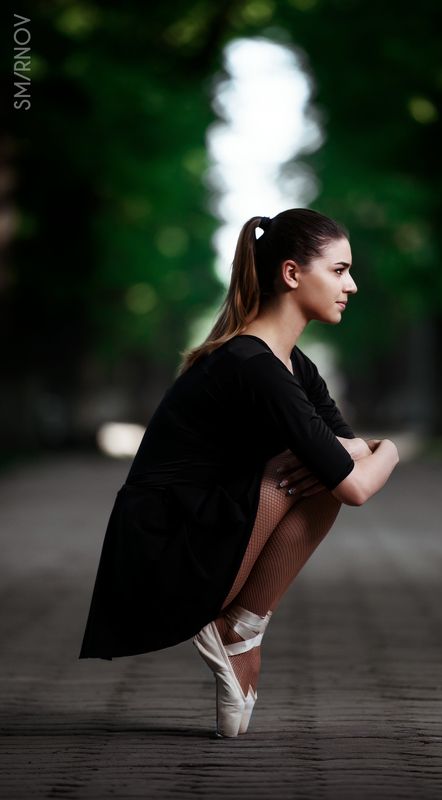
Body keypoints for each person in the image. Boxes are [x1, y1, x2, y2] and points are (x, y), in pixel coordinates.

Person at [79, 208, 399, 738]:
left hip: (199, 528)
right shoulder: (252, 365)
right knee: (305, 471)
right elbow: (359, 482)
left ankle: (241, 630)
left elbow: (343, 460)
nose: (353, 285)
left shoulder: (293, 365)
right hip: (158, 553)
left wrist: (357, 452)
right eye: (340, 271)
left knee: (319, 474)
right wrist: (389, 449)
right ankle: (236, 631)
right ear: (293, 274)